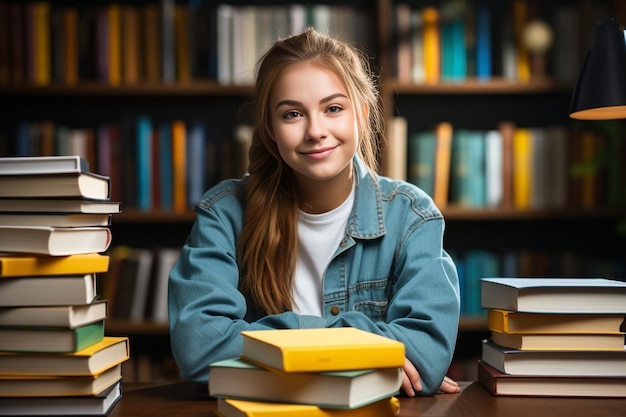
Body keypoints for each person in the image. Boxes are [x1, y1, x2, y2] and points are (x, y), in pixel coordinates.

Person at [168, 27, 461, 396]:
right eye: (292, 114)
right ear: (271, 130)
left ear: (363, 113)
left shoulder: (412, 217)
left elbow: (426, 357)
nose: (315, 131)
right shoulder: (224, 213)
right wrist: (362, 349)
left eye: (333, 108)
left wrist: (279, 353)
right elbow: (200, 349)